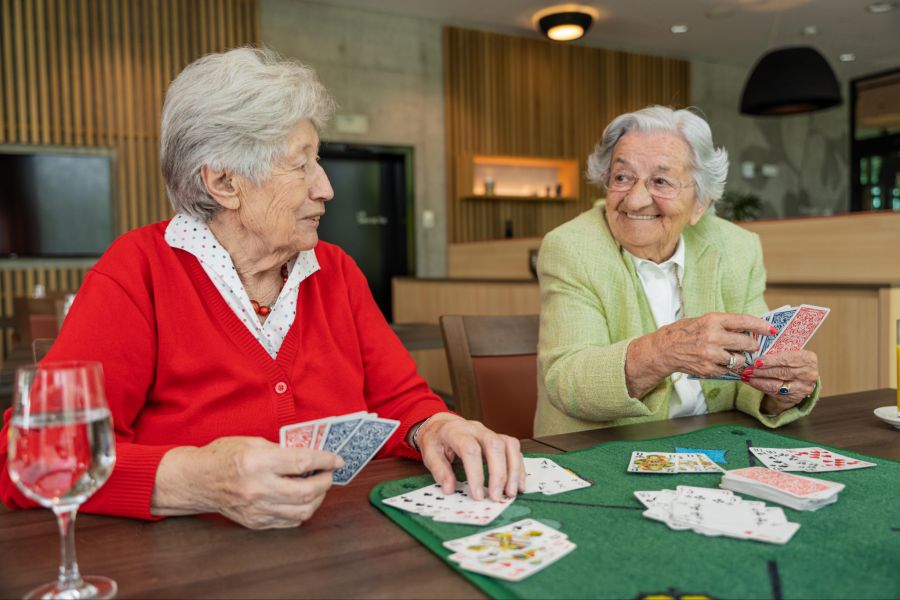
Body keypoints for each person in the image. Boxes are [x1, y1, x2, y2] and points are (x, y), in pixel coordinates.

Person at [0, 48, 524, 529]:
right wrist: (199, 480)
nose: (326, 187)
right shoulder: (138, 272)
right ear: (224, 183)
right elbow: (32, 455)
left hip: (347, 549)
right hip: (188, 566)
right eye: (301, 164)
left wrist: (434, 427)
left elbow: (400, 399)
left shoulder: (335, 270)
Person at [534, 106, 820, 436]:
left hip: (715, 445)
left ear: (700, 203)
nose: (636, 199)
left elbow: (750, 371)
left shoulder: (737, 248)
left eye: (661, 181)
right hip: (597, 450)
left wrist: (780, 392)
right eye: (622, 177)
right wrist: (663, 351)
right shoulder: (572, 247)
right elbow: (568, 381)